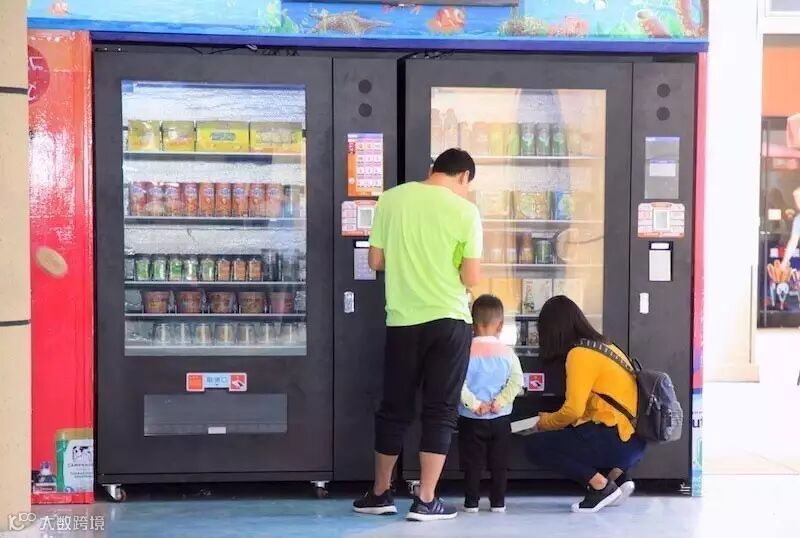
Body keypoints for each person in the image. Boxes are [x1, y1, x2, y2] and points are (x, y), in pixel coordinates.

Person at [352, 149, 483, 522]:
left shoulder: (391, 200)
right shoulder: (466, 211)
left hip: (403, 321)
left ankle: (380, 493)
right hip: (450, 320)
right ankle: (426, 499)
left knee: (394, 408)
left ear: (432, 170)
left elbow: (375, 261)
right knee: (440, 410)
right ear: (464, 177)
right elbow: (471, 278)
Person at [526, 296, 646, 514]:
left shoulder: (579, 354)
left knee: (535, 446)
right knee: (577, 431)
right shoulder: (607, 346)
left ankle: (600, 486)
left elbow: (573, 410)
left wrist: (544, 422)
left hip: (614, 439)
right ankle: (619, 477)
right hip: (634, 440)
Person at [458, 295, 523, 514]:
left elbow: (458, 382)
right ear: (501, 325)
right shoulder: (507, 353)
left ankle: (471, 502)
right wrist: (500, 402)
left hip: (470, 418)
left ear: (472, 323)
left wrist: (475, 404)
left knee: (472, 463)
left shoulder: (464, 351)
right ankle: (498, 502)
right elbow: (516, 381)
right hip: (500, 418)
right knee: (499, 463)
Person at [781, 186, 800, 270]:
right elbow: (793, 242)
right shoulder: (798, 220)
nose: (797, 203)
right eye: (796, 200)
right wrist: (784, 262)